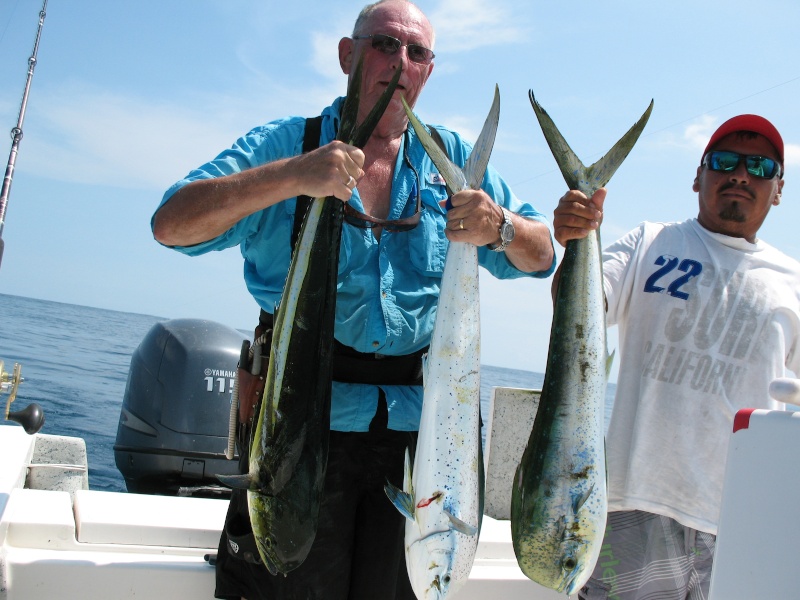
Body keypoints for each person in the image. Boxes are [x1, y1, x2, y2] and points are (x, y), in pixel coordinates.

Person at [152, 1, 556, 598]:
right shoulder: (289, 145)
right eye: (384, 45)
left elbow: (542, 254)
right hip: (299, 427)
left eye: (416, 53)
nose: (399, 63)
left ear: (429, 71)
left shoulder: (454, 165)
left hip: (423, 443)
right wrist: (294, 176)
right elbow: (172, 223)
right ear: (348, 54)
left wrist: (499, 225)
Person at [552, 114, 800, 600]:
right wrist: (576, 240)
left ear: (779, 190)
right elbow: (575, 308)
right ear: (697, 176)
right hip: (631, 506)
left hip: (742, 522)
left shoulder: (792, 283)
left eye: (760, 167)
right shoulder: (650, 242)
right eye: (725, 161)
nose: (741, 175)